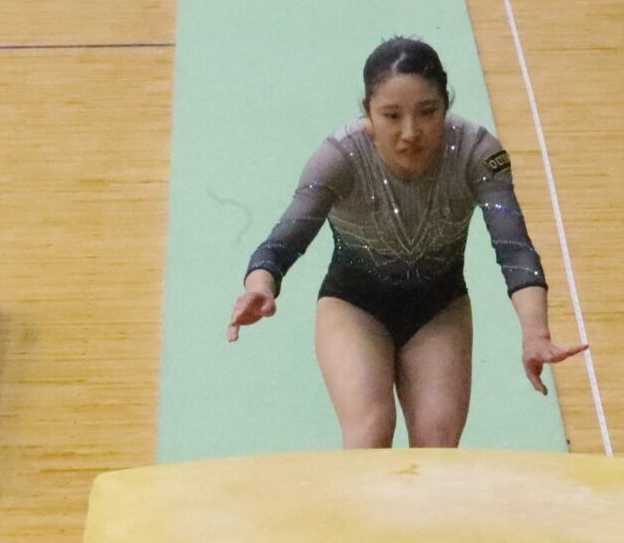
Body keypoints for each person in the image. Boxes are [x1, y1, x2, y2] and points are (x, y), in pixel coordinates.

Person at [228, 37, 586, 449]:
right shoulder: (338, 158)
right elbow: (284, 240)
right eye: (391, 115)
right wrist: (259, 286)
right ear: (367, 115)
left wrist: (534, 332)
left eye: (427, 112)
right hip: (354, 306)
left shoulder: (477, 153)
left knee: (436, 445)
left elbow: (514, 247)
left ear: (446, 106)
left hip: (439, 310)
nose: (410, 133)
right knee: (369, 435)